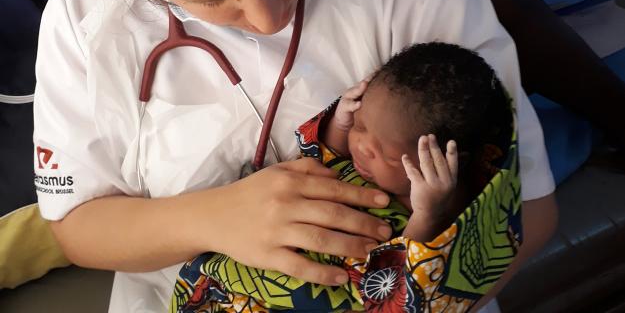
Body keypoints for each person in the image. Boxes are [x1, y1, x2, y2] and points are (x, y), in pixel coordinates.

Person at [33, 0, 557, 312]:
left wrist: (411, 294)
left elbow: (526, 210)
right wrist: (209, 218)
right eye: (215, 0)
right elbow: (78, 224)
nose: (267, 20)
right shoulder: (86, 13)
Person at [172, 42, 517, 312]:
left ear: (440, 166)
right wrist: (340, 123)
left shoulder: (425, 213)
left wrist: (429, 212)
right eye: (361, 124)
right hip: (226, 280)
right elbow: (323, 159)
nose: (362, 147)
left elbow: (399, 279)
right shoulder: (354, 159)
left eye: (384, 153)